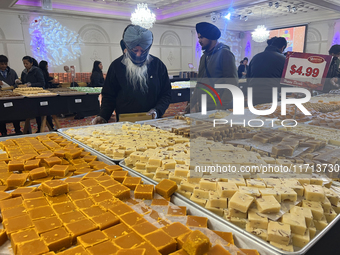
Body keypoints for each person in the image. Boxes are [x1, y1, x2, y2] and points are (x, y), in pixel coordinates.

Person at [92, 25, 172, 124]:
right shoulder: (116, 66)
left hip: (154, 122)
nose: (138, 54)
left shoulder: (158, 65)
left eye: (143, 51)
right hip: (125, 124)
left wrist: (157, 110)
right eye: (135, 50)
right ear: (128, 47)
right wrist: (103, 115)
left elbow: (166, 93)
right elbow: (109, 96)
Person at [188, 22, 238, 112]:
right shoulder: (204, 57)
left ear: (211, 37)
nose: (199, 41)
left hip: (219, 107)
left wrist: (219, 109)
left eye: (202, 37)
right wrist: (191, 105)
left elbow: (232, 84)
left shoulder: (225, 54)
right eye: (199, 38)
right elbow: (199, 83)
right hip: (204, 106)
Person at [247, 37, 287, 106]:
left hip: (253, 94)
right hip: (270, 96)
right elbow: (285, 83)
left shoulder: (255, 57)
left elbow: (248, 77)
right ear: (282, 47)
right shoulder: (283, 59)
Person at [0, 55, 22, 135]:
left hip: (13, 96)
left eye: (5, 64)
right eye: (1, 64)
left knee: (15, 114)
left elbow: (17, 83)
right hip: (1, 97)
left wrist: (14, 86)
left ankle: (18, 130)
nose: (4, 66)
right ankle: (3, 132)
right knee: (2, 115)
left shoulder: (12, 72)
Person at [37, 60, 55, 130]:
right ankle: (50, 126)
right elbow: (44, 81)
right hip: (44, 92)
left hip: (44, 91)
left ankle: (47, 126)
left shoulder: (41, 71)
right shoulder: (41, 72)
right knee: (47, 111)